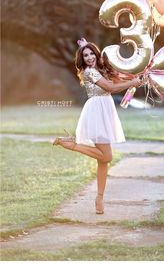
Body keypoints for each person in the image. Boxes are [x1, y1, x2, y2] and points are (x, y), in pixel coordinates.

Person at [53, 38, 142, 214]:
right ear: (82, 59)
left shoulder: (102, 69)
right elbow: (110, 87)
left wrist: (137, 77)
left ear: (96, 53)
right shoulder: (89, 73)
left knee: (103, 160)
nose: (89, 57)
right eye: (85, 55)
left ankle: (99, 199)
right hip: (96, 111)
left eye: (91, 53)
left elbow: (119, 77)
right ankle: (72, 145)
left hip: (105, 109)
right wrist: (131, 83)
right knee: (106, 157)